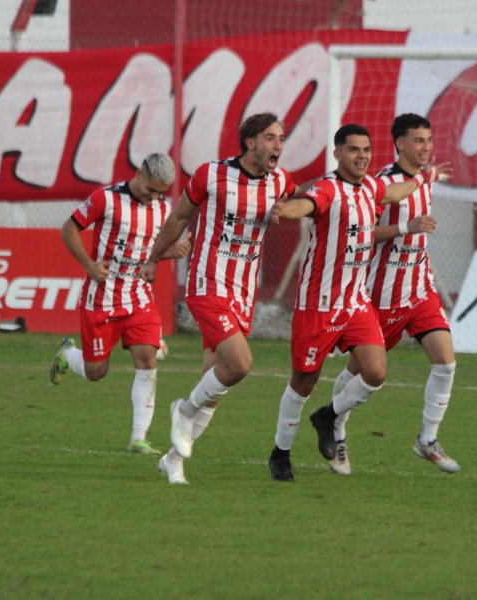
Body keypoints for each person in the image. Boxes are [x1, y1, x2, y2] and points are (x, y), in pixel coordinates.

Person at [265, 123, 443, 482]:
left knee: (375, 373)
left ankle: (327, 416)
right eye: (353, 150)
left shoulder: (372, 188)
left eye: (366, 150)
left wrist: (423, 178)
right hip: (319, 304)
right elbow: (305, 205)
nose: (361, 156)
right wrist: (285, 210)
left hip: (356, 302)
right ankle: (280, 454)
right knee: (303, 382)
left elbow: (395, 191)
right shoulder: (328, 189)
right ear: (337, 154)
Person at [140, 113, 295, 485]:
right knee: (240, 364)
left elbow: (298, 199)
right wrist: (154, 258)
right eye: (270, 137)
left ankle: (173, 459)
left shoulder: (281, 181)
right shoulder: (211, 174)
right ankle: (182, 410)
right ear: (250, 142)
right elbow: (179, 217)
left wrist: (287, 210)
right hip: (208, 284)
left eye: (281, 138)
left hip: (242, 293)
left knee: (214, 386)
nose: (278, 145)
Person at [327, 113, 459, 475]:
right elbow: (361, 232)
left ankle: (427, 440)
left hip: (420, 290)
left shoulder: (425, 179)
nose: (426, 147)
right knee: (360, 373)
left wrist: (432, 177)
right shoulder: (381, 185)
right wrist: (406, 227)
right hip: (382, 295)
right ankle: (335, 428)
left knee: (446, 363)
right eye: (418, 140)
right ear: (400, 144)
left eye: (429, 140)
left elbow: (425, 194)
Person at [50, 153, 192, 455]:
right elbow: (68, 229)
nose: (153, 197)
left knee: (147, 357)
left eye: (159, 193)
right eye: (150, 190)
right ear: (139, 172)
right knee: (95, 372)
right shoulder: (105, 199)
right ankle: (67, 355)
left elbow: (148, 253)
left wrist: (172, 251)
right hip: (101, 299)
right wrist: (89, 265)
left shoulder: (162, 209)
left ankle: (139, 438)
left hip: (138, 296)